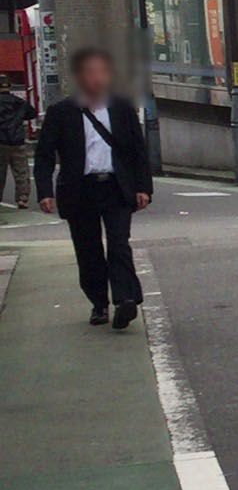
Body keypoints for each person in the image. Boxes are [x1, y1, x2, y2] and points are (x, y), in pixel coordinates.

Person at [35, 45, 152, 328]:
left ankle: (125, 300)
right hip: (80, 189)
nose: (96, 78)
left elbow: (137, 150)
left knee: (119, 244)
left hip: (115, 186)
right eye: (90, 72)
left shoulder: (122, 108)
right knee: (88, 250)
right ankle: (99, 302)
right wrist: (45, 191)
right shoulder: (61, 112)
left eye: (102, 71)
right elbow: (44, 154)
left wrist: (143, 187)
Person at [0, 79, 31, 210]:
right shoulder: (19, 102)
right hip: (18, 140)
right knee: (21, 171)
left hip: (1, 141)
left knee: (1, 172)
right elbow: (32, 113)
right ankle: (22, 198)